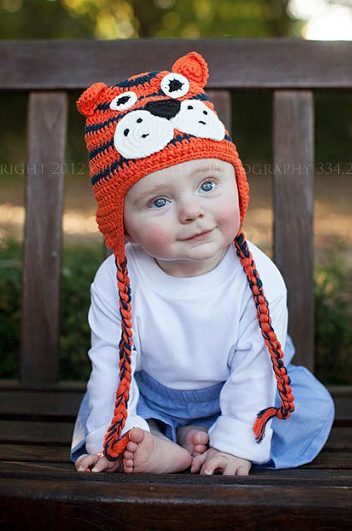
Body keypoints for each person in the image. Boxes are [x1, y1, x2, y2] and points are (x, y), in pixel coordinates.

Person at [70, 51, 334, 475]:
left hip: (247, 384)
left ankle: (206, 438)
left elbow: (256, 368)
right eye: (159, 201)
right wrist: (109, 435)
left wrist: (237, 445)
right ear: (124, 227)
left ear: (237, 185)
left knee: (311, 404)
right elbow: (111, 366)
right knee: (97, 408)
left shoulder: (258, 276)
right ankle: (155, 439)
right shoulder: (117, 280)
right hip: (152, 392)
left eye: (208, 185)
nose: (192, 211)